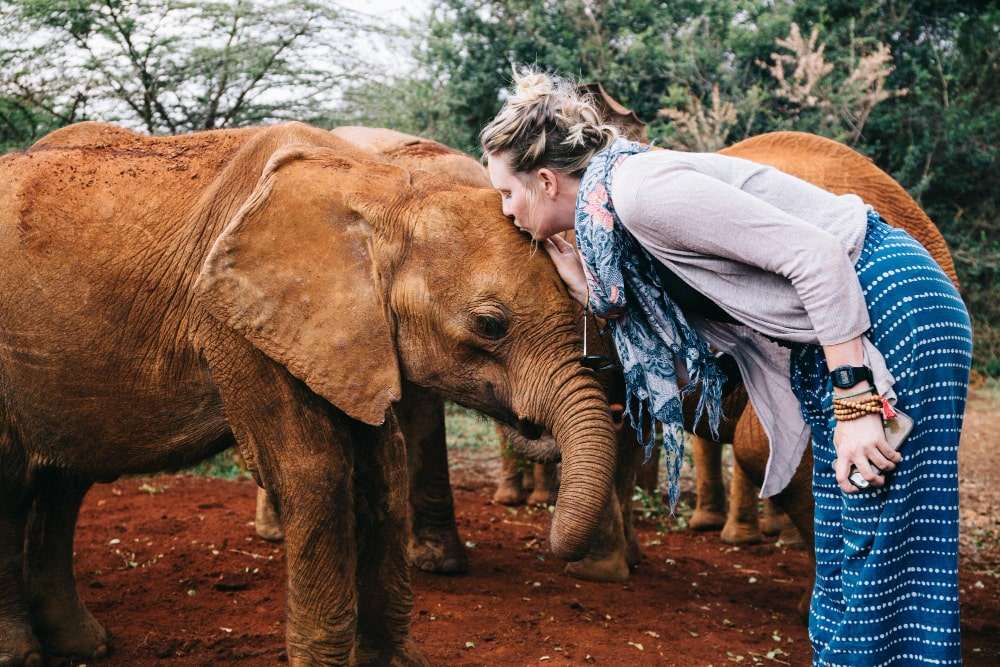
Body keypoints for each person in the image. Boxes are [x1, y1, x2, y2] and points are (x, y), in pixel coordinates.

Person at [480, 67, 972, 666]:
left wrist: (857, 401)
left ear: (547, 180)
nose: (507, 210)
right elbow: (680, 329)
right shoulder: (610, 216)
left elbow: (816, 257)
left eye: (508, 193)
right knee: (845, 541)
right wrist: (589, 290)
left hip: (885, 308)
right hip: (832, 330)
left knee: (885, 542)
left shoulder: (641, 192)